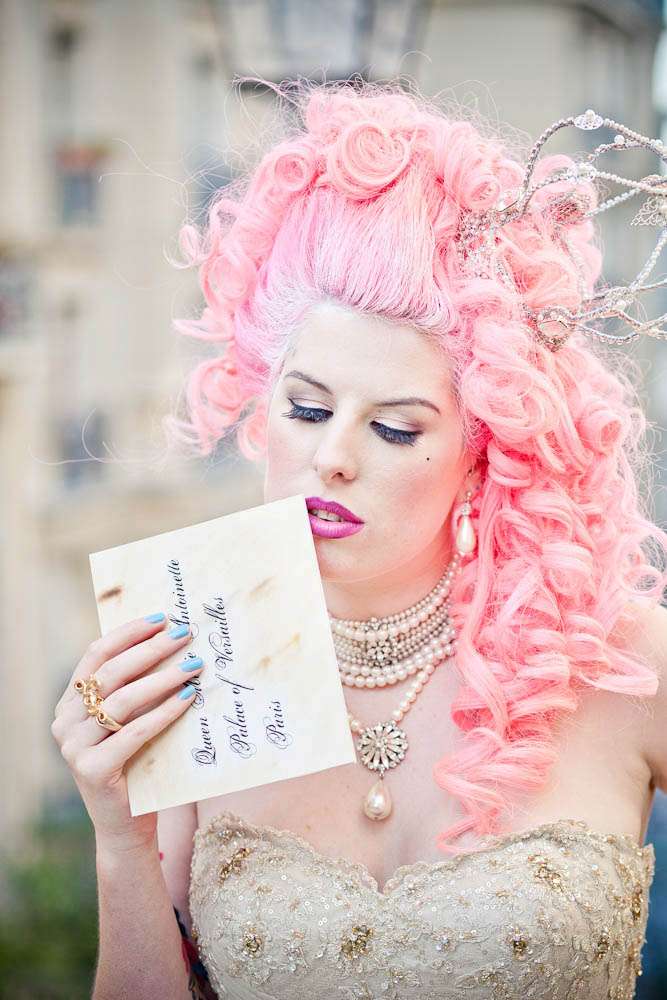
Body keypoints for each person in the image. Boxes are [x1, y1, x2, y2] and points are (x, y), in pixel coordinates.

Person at [51, 80, 667, 1000]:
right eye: (306, 409)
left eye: (393, 428)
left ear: (484, 450)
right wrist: (120, 840)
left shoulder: (620, 665)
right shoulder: (194, 664)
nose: (331, 457)